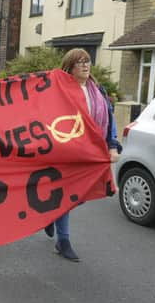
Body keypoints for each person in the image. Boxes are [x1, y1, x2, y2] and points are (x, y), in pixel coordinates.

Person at [43, 48, 121, 262]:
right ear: (70, 67)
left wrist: (112, 146)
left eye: (88, 61)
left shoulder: (98, 91)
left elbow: (110, 119)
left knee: (83, 193)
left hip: (91, 153)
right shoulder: (60, 91)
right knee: (66, 193)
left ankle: (52, 215)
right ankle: (63, 240)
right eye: (80, 62)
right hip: (66, 152)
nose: (86, 65)